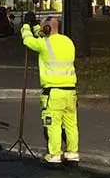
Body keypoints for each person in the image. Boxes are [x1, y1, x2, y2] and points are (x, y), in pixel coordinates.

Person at [20, 15, 79, 165]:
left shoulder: (44, 44)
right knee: (71, 125)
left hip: (53, 93)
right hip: (71, 92)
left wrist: (26, 26)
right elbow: (43, 36)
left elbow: (28, 40)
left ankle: (54, 155)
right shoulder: (68, 42)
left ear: (46, 28)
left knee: (53, 125)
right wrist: (36, 26)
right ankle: (72, 153)